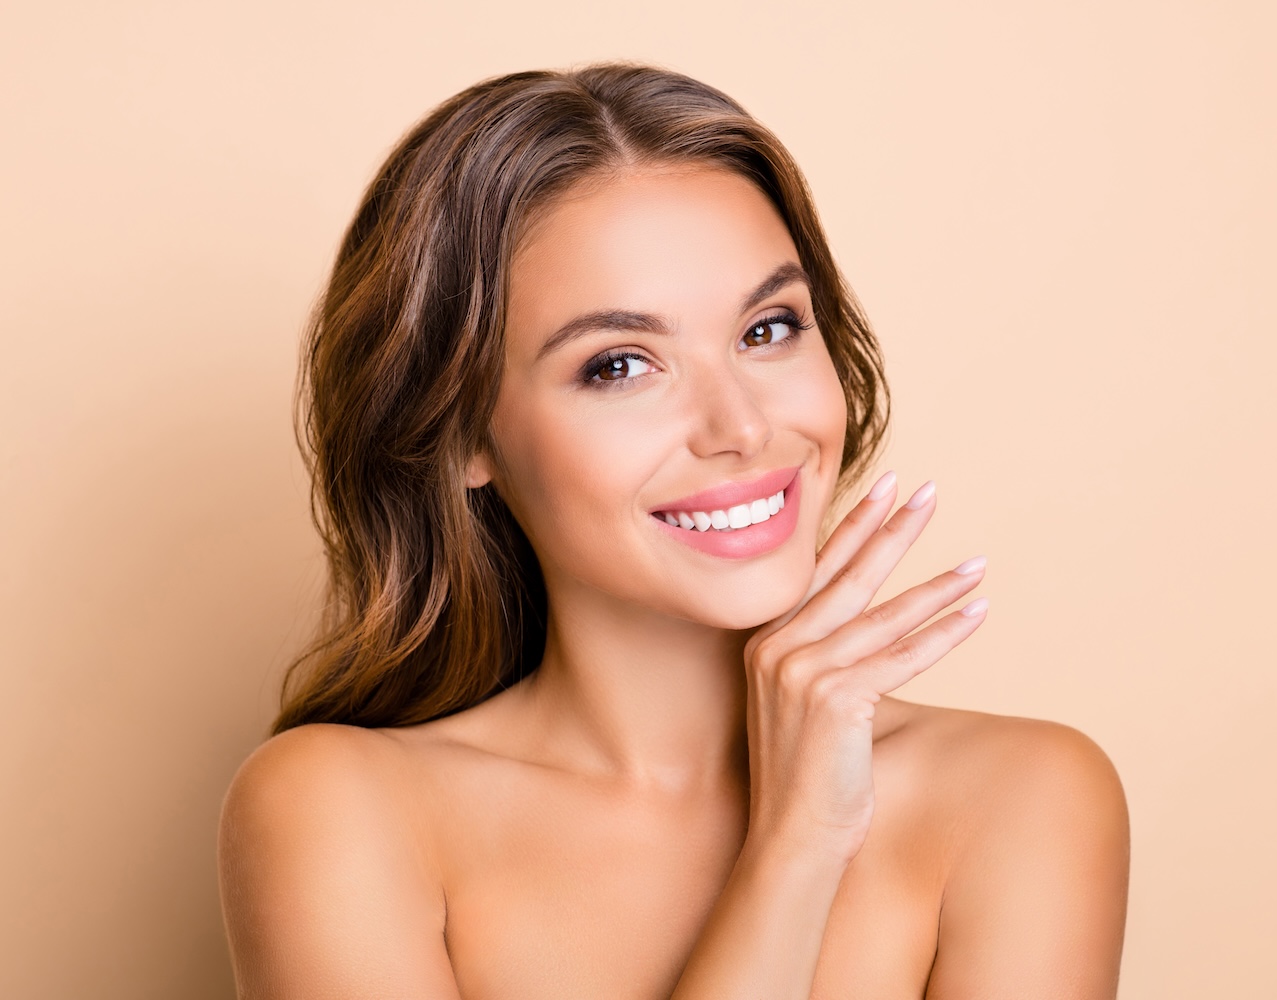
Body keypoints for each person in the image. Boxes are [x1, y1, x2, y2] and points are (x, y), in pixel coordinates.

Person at [217, 63, 1129, 999]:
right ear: (459, 437)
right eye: (618, 365)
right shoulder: (338, 810)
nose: (740, 427)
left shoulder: (1023, 798)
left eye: (769, 329)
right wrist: (797, 844)